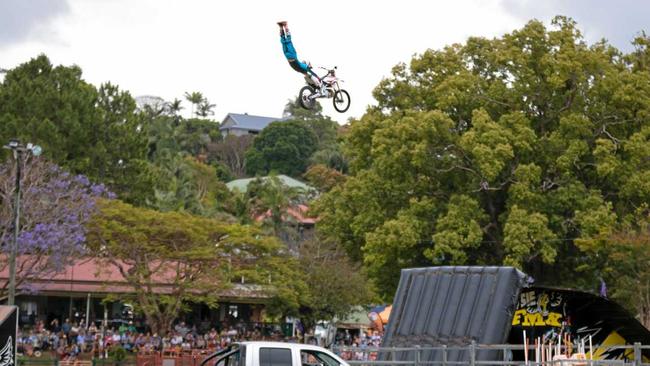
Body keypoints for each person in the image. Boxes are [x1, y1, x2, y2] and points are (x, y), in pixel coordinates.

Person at [277, 21, 326, 95]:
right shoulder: (305, 69)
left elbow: (312, 78)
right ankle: (286, 25)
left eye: (304, 62)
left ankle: (281, 27)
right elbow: (314, 76)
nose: (303, 62)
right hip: (292, 56)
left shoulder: (304, 72)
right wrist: (321, 82)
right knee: (288, 41)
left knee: (283, 42)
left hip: (288, 57)